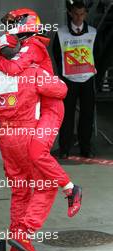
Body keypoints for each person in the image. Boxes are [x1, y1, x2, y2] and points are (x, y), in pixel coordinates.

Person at [0, 8, 82, 251]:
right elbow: (56, 88)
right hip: (30, 125)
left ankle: (17, 243)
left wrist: (0, 52)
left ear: (24, 24)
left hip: (7, 135)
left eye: (11, 24)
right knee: (45, 184)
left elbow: (2, 70)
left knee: (20, 189)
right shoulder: (30, 69)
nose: (7, 30)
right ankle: (24, 234)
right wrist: (49, 81)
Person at [52, 1, 97, 158]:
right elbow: (57, 55)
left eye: (82, 14)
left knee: (87, 115)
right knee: (66, 115)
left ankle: (85, 149)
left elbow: (96, 55)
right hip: (68, 81)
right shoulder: (61, 33)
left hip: (87, 80)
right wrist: (63, 74)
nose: (79, 17)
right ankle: (65, 149)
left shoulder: (93, 32)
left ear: (85, 14)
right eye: (76, 14)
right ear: (70, 13)